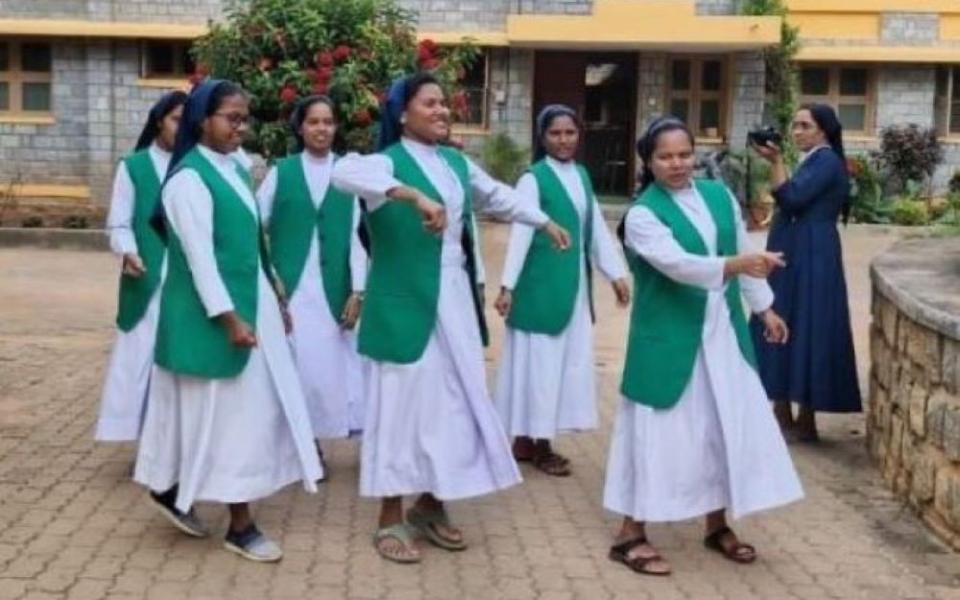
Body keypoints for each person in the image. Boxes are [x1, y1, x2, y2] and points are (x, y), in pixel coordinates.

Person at [332, 73, 571, 564]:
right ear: (402, 113)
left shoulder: (454, 163)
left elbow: (499, 196)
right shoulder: (384, 164)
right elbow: (344, 174)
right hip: (402, 303)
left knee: (456, 402)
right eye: (430, 103)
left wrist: (543, 220)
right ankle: (388, 517)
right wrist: (411, 196)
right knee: (400, 406)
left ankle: (432, 503)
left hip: (454, 299)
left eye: (446, 103)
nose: (443, 111)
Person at [603, 117, 803, 576]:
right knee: (658, 435)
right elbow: (680, 266)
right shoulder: (642, 214)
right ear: (648, 163)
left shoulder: (717, 196)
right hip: (669, 341)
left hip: (722, 336)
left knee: (720, 427)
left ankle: (717, 524)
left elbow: (743, 249)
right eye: (665, 157)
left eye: (684, 154)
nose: (677, 164)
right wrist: (739, 264)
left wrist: (765, 309)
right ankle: (630, 533)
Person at [134, 79, 322, 562]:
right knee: (236, 417)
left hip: (251, 302)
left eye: (245, 119)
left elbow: (250, 240)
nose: (241, 127)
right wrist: (231, 320)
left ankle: (172, 487)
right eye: (232, 118)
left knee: (221, 414)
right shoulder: (188, 180)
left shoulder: (235, 168)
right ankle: (240, 525)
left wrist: (275, 290)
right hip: (216, 314)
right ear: (203, 120)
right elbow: (200, 260)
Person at [493, 104, 629, 476]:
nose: (564, 140)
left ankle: (525, 439)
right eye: (555, 133)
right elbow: (520, 234)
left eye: (570, 132)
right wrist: (507, 285)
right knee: (539, 368)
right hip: (539, 290)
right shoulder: (533, 179)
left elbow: (596, 229)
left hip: (572, 289)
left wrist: (615, 274)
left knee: (560, 366)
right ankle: (538, 444)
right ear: (542, 137)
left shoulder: (582, 176)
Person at [257, 95, 367, 472]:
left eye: (329, 121)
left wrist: (359, 289)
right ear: (300, 128)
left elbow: (357, 236)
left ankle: (343, 438)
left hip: (334, 285)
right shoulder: (282, 172)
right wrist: (270, 276)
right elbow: (255, 224)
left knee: (337, 368)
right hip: (292, 287)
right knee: (298, 365)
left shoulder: (349, 174)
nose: (322, 129)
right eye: (314, 122)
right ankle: (303, 445)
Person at [750, 104, 862, 442]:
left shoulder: (827, 161)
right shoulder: (813, 159)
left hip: (813, 253)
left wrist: (777, 162)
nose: (797, 131)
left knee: (809, 322)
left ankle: (804, 415)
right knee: (784, 316)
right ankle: (783, 408)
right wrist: (778, 163)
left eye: (805, 125)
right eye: (795, 125)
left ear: (824, 130)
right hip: (796, 248)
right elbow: (787, 198)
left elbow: (792, 199)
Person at [96, 91, 187, 443]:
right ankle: (143, 435)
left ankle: (176, 438)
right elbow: (119, 223)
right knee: (140, 359)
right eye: (176, 119)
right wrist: (128, 252)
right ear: (159, 120)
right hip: (147, 278)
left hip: (187, 282)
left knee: (179, 359)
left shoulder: (196, 164)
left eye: (187, 120)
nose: (181, 128)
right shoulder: (133, 166)